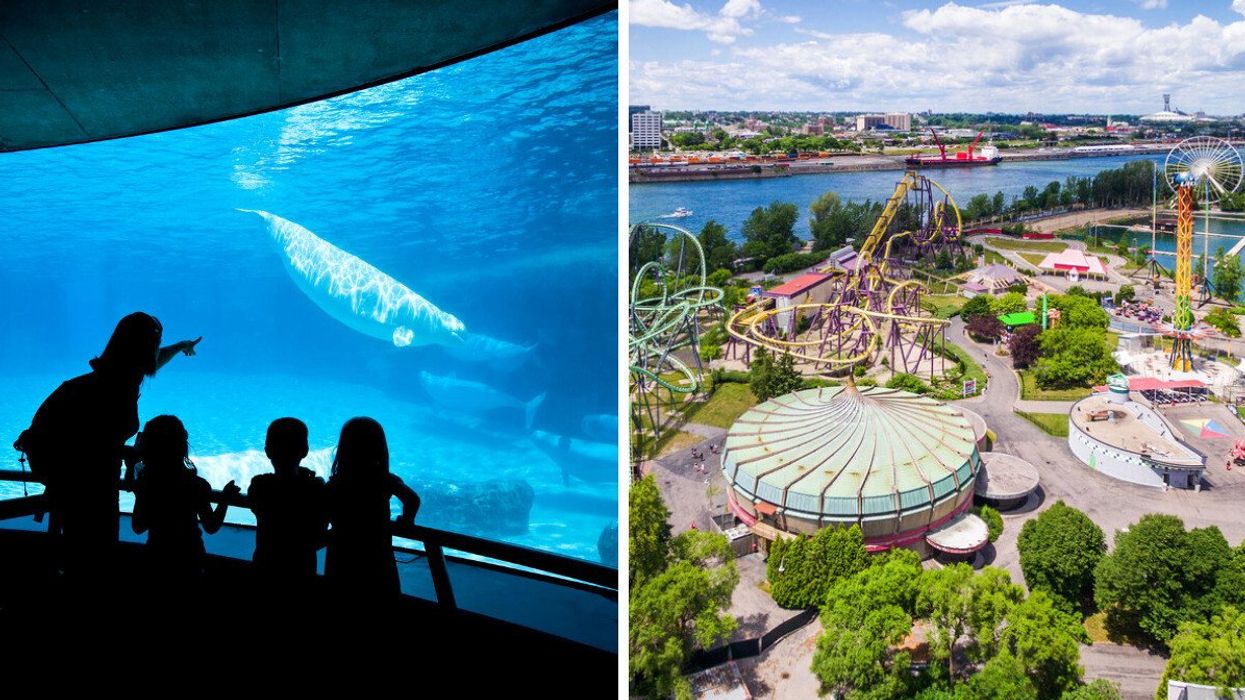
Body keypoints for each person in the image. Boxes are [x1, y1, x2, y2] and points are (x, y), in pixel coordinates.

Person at [19, 312, 201, 586]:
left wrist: (179, 346)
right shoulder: (113, 391)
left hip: (84, 485)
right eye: (155, 342)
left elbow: (149, 363)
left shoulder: (117, 378)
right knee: (93, 565)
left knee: (80, 561)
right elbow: (92, 449)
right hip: (90, 491)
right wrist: (134, 455)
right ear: (141, 348)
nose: (157, 349)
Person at [131, 415, 239, 585]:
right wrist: (224, 499)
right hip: (191, 557)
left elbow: (138, 527)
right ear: (182, 446)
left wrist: (135, 476)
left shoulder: (147, 484)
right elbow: (211, 526)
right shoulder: (197, 484)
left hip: (156, 557)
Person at [324, 417, 420, 602]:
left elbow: (322, 511)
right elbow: (413, 500)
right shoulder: (385, 480)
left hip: (341, 555)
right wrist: (407, 521)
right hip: (378, 554)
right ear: (380, 449)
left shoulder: (336, 484)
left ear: (344, 449)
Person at [247, 417, 328, 591]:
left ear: (267, 451)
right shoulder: (315, 489)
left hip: (265, 569)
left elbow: (279, 488)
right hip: (301, 573)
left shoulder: (259, 485)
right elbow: (318, 538)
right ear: (305, 450)